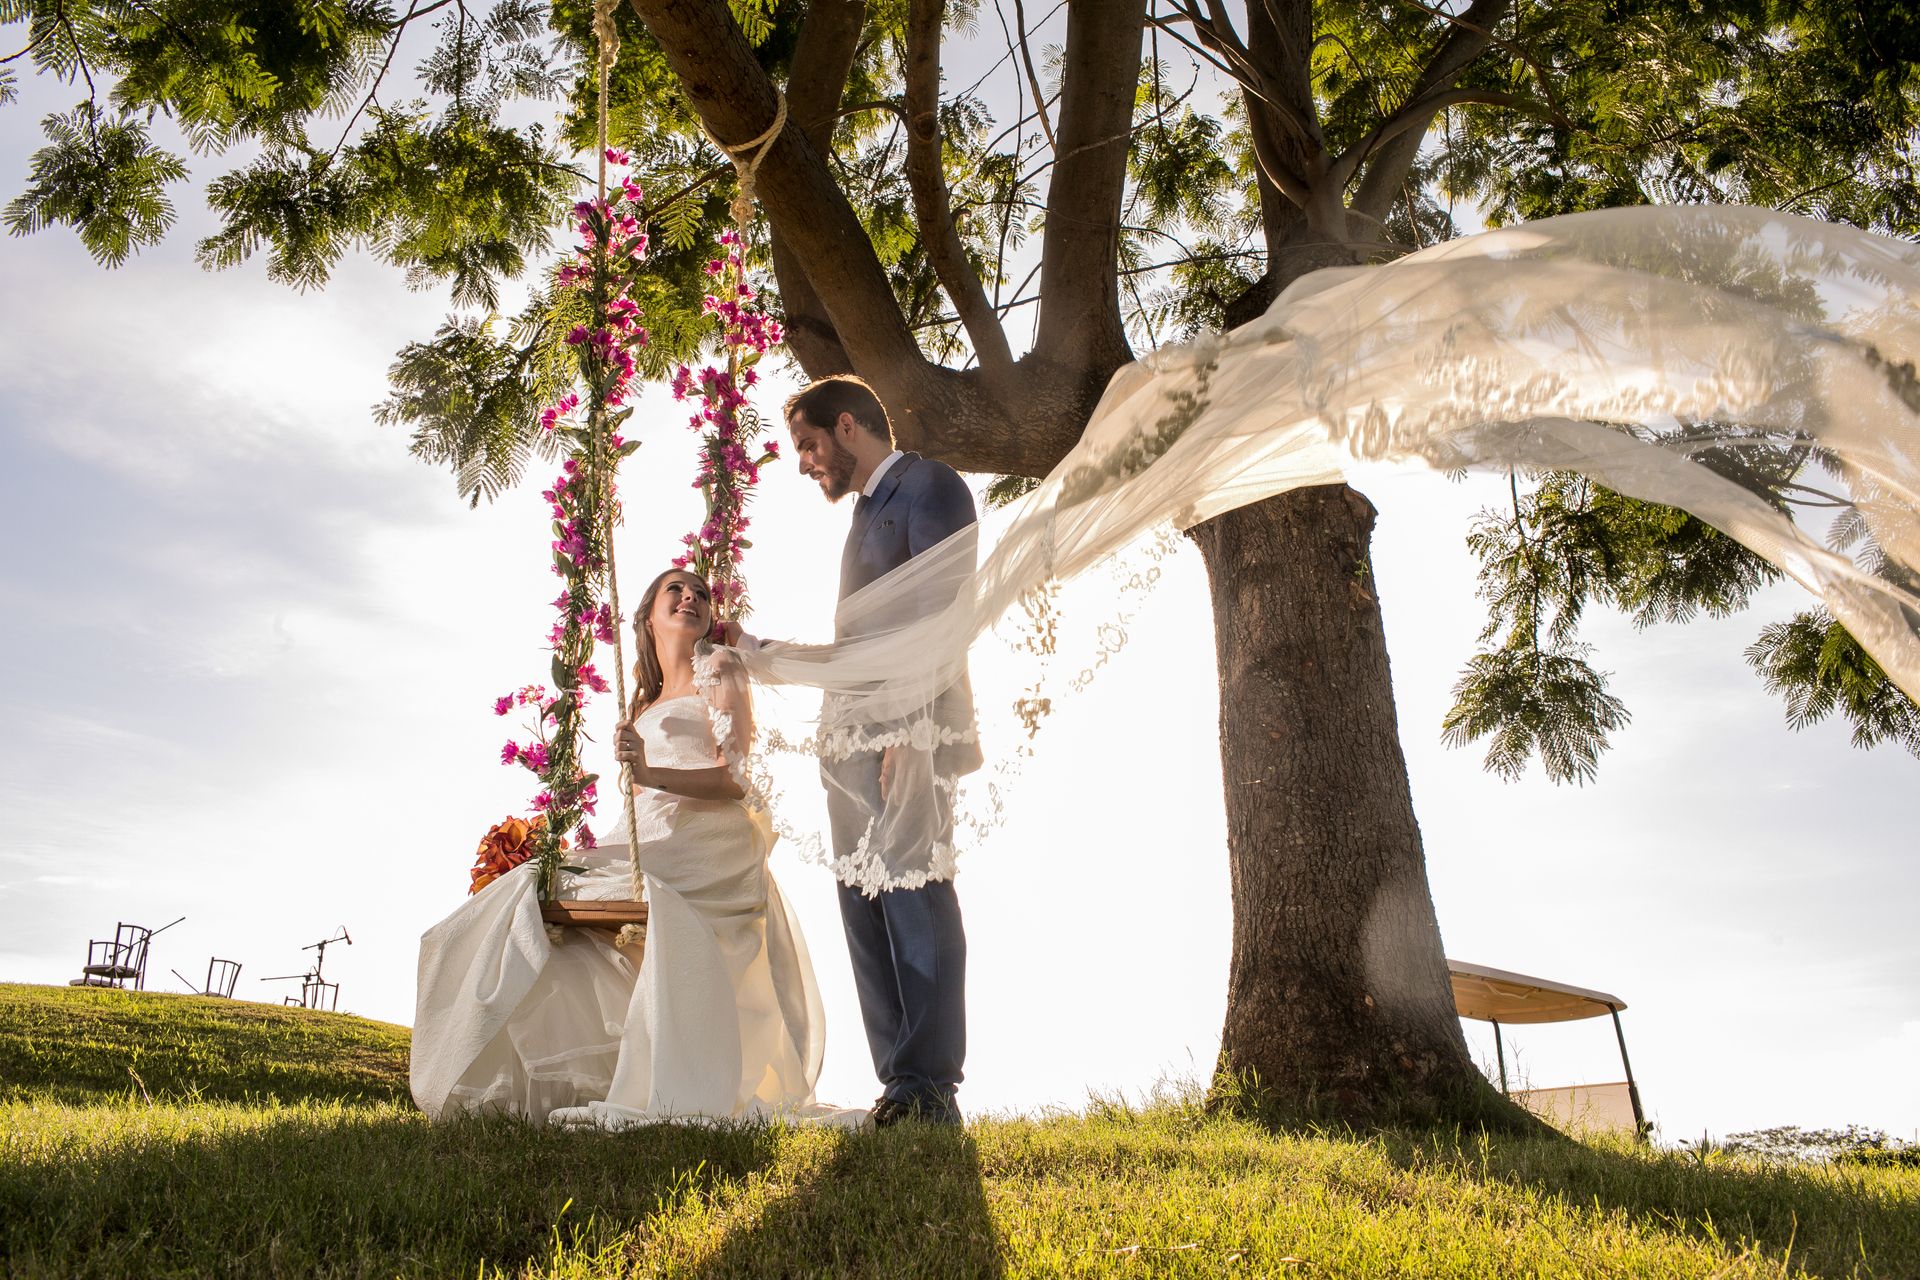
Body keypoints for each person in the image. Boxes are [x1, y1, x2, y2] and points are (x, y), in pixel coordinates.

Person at [410, 568, 849, 1128]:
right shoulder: (643, 703)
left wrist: (649, 771)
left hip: (707, 839)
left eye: (701, 593)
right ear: (648, 616)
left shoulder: (721, 668)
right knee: (532, 898)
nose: (691, 597)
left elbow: (736, 778)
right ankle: (545, 1076)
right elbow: (638, 809)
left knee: (545, 891)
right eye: (676, 590)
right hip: (650, 836)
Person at [783, 375, 979, 1128]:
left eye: (808, 445)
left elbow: (940, 614)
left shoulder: (931, 487)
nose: (806, 463)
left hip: (908, 733)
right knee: (862, 901)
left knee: (914, 891)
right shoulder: (866, 512)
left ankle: (931, 1085)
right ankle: (899, 1082)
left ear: (846, 426)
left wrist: (909, 730)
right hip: (850, 741)